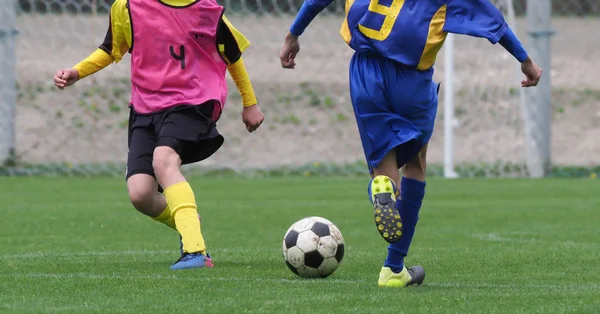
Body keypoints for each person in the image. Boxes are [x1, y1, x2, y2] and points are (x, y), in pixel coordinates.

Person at [279, 0, 542, 287]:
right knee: (415, 165)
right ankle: (393, 268)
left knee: (384, 169)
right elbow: (493, 22)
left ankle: (382, 188)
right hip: (412, 81)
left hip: (365, 75)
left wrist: (294, 34)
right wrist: (525, 61)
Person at [54, 0, 264, 270]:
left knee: (164, 160)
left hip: (194, 99)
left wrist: (250, 103)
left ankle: (195, 251)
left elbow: (232, 55)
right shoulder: (127, 7)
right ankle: (188, 221)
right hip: (147, 106)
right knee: (141, 194)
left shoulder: (206, 10)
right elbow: (111, 49)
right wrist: (76, 72)